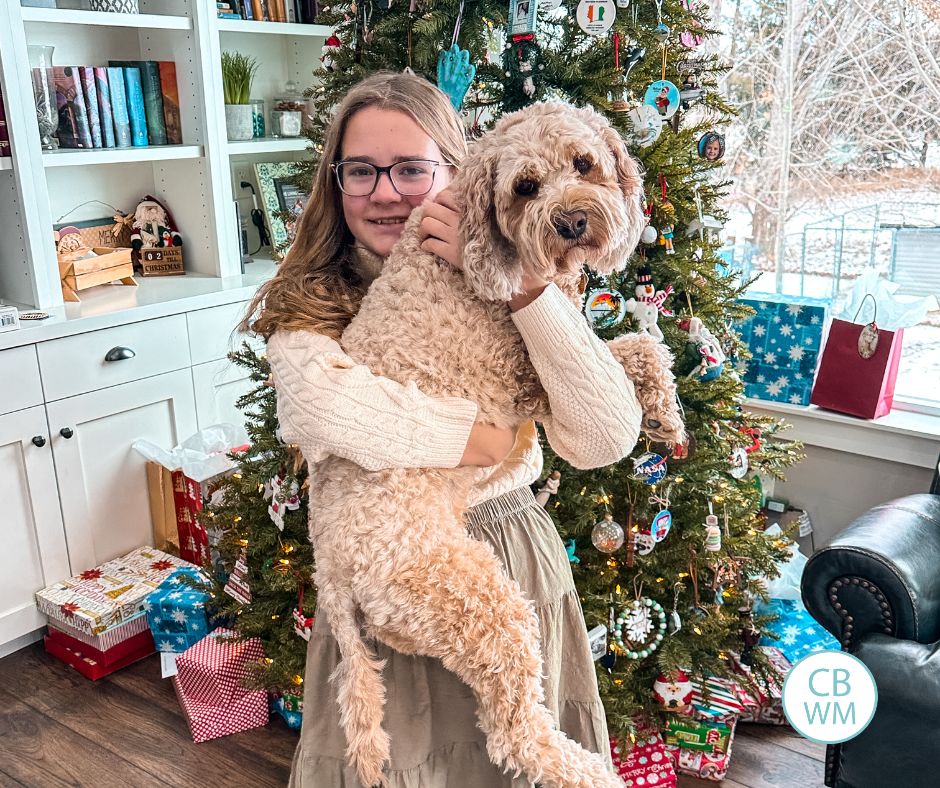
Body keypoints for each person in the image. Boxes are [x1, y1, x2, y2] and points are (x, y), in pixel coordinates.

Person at [247, 71, 643, 788]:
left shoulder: (525, 273)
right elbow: (324, 408)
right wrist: (487, 439)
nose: (387, 191)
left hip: (513, 547)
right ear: (336, 183)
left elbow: (604, 438)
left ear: (458, 174)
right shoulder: (306, 299)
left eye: (411, 168)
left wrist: (523, 290)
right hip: (399, 565)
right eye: (361, 170)